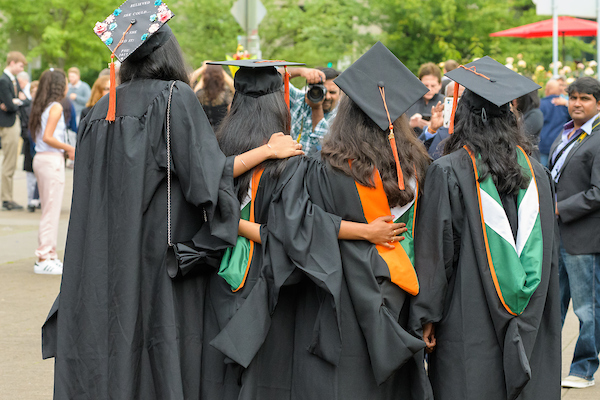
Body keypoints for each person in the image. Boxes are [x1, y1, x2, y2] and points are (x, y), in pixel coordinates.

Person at [41, 3, 302, 398]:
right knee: (154, 344)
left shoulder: (97, 112)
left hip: (99, 257)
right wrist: (266, 152)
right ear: (168, 53)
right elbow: (206, 174)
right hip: (154, 259)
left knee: (112, 339)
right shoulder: (172, 97)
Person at [211, 42, 433, 399]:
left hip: (326, 290)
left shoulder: (317, 167)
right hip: (398, 285)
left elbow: (299, 226)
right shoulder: (420, 168)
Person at [412, 56, 561, 400]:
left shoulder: (448, 171)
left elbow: (438, 253)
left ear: (461, 118)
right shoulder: (536, 173)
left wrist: (426, 316)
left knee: (472, 378)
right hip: (532, 311)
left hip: (469, 308)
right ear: (511, 120)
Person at [548, 76, 600, 389]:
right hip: (557, 234)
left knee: (587, 307)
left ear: (598, 103)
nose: (577, 103)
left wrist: (560, 208)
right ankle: (547, 363)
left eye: (585, 99)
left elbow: (598, 192)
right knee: (553, 304)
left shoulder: (597, 139)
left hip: (583, 236)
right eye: (573, 97)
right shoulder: (569, 133)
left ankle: (584, 368)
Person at [27, 69, 75, 274]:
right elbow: (48, 137)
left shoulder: (42, 106)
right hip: (50, 160)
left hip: (43, 159)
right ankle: (44, 256)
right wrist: (70, 148)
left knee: (50, 209)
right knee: (51, 210)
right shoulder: (55, 107)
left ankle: (49, 254)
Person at [285, 66, 341, 157]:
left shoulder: (341, 115)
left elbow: (322, 145)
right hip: (292, 164)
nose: (327, 97)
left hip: (318, 169)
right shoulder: (300, 99)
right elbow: (274, 78)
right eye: (322, 91)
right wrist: (301, 71)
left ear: (340, 93)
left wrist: (316, 108)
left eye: (332, 92)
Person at [0, 51, 28, 211]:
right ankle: (6, 199)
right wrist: (16, 102)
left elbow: (21, 101)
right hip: (9, 124)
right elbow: (11, 105)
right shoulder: (4, 80)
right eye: (20, 65)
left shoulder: (12, 80)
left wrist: (15, 102)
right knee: (9, 163)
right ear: (12, 63)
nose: (22, 68)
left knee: (10, 163)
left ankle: (7, 197)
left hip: (12, 120)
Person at [418, 82, 465, 160]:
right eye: (452, 98)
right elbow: (415, 153)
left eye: (461, 98)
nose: (457, 102)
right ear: (445, 100)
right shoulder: (437, 129)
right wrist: (432, 129)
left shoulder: (477, 130)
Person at [191, 62, 234, 129]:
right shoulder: (225, 95)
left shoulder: (200, 94)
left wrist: (203, 70)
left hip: (204, 133)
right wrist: (222, 72)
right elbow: (235, 88)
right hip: (221, 134)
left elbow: (188, 81)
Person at [406, 62, 444, 135]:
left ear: (440, 85)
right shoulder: (409, 101)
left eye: (433, 86)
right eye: (425, 85)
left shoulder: (444, 102)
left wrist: (434, 126)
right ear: (419, 83)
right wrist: (410, 124)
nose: (429, 89)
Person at [19, 79, 40, 212]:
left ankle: (39, 199)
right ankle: (30, 201)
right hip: (29, 144)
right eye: (33, 91)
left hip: (42, 145)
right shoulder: (26, 107)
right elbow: (24, 127)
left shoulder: (46, 107)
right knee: (30, 175)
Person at [539, 79, 570, 166]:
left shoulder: (541, 105)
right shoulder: (564, 105)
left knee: (543, 174)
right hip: (559, 145)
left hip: (543, 146)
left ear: (547, 90)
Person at [513, 88, 543, 161]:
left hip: (530, 159)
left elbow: (521, 135)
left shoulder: (535, 114)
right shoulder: (523, 114)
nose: (514, 100)